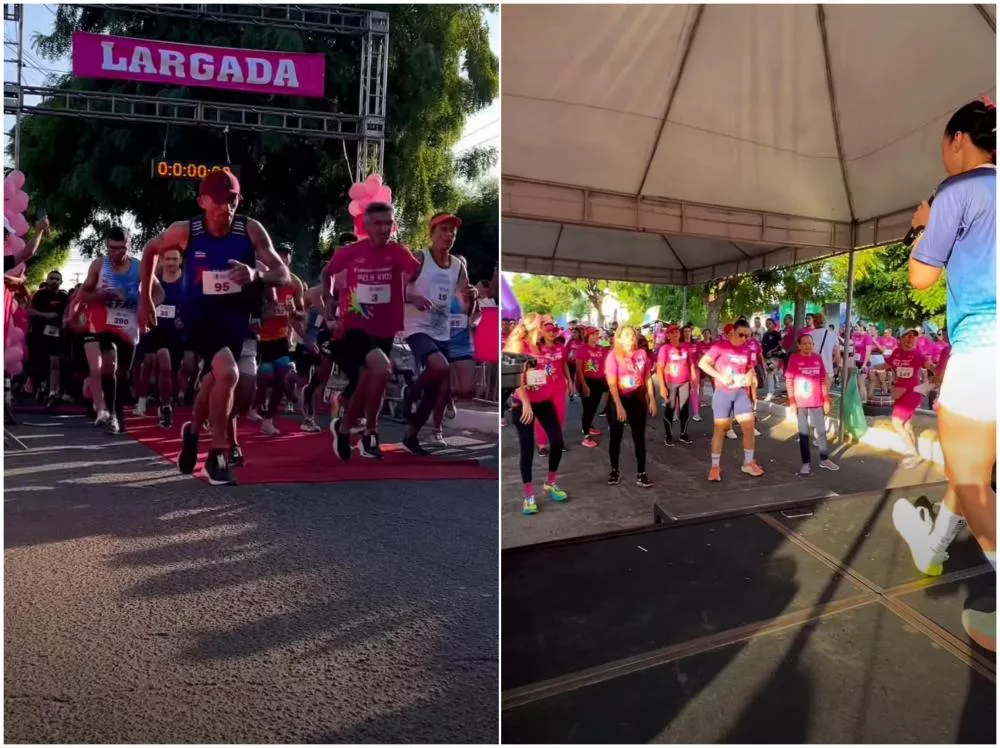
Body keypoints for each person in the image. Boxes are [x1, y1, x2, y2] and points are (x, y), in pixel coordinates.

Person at [893, 97, 996, 651]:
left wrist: (922, 227)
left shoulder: (959, 192)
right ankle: (933, 547)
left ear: (959, 140)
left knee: (975, 481)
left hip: (985, 349)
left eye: (943, 143)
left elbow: (921, 279)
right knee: (968, 466)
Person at [138, 169, 290, 485]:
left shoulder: (250, 230)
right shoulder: (186, 230)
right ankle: (217, 455)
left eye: (232, 200)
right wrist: (145, 299)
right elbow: (151, 250)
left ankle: (192, 432)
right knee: (229, 374)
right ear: (203, 201)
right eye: (219, 201)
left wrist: (256, 274)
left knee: (215, 380)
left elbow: (283, 274)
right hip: (198, 314)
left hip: (234, 318)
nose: (226, 208)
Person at [321, 203, 421, 461]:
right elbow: (327, 272)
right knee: (382, 369)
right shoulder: (352, 251)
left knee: (373, 381)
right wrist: (329, 296)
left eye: (389, 223)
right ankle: (368, 431)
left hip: (385, 327)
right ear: (366, 226)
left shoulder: (397, 252)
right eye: (378, 223)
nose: (384, 228)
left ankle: (346, 429)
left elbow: (417, 270)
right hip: (356, 324)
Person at [401, 213, 477, 454]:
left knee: (435, 394)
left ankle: (410, 437)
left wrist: (473, 298)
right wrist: (413, 297)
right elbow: (396, 288)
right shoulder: (420, 258)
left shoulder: (458, 266)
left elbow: (466, 307)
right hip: (416, 329)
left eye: (452, 232)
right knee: (440, 366)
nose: (448, 235)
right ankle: (411, 390)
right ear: (432, 233)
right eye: (443, 230)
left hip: (442, 332)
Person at [69, 227, 158, 434]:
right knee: (109, 365)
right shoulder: (99, 265)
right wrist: (102, 295)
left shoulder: (140, 267)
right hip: (103, 324)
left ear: (130, 245)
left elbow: (158, 293)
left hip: (128, 326)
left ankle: (117, 411)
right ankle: (113, 416)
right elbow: (84, 296)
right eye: (112, 248)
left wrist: (146, 309)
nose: (116, 253)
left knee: (123, 374)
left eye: (121, 248)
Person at [509, 318, 568, 515]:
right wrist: (525, 402)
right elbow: (513, 375)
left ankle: (550, 483)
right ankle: (528, 494)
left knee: (557, 442)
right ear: (536, 326)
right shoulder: (520, 344)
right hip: (523, 404)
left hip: (543, 401)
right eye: (546, 324)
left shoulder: (540, 346)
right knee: (527, 447)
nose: (551, 328)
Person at [699, 319, 763, 481]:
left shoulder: (747, 349)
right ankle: (714, 467)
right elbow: (703, 363)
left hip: (740, 393)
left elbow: (750, 367)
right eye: (741, 335)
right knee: (720, 430)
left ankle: (748, 462)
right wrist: (720, 376)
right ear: (732, 332)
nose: (744, 339)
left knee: (749, 428)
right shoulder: (720, 346)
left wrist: (752, 376)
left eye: (748, 336)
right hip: (723, 393)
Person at [254, 243, 307, 436]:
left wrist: (296, 313)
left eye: (287, 256)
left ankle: (269, 419)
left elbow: (301, 312)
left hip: (281, 338)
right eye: (280, 255)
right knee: (264, 379)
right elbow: (253, 311)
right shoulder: (262, 279)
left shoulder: (295, 283)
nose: (283, 259)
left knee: (282, 376)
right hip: (259, 338)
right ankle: (254, 405)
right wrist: (269, 312)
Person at [133, 248, 185, 428]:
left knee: (168, 372)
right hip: (153, 328)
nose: (171, 263)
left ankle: (164, 403)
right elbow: (141, 298)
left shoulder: (186, 280)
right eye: (167, 259)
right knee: (149, 364)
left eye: (174, 259)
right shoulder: (154, 279)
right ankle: (141, 400)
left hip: (174, 332)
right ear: (161, 261)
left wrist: (184, 319)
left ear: (180, 260)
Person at [605, 325, 655, 487]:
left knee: (639, 437)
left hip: (637, 398)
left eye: (633, 335)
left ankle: (641, 472)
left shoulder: (641, 354)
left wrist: (652, 398)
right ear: (619, 338)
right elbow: (612, 384)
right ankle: (614, 470)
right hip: (619, 398)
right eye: (626, 335)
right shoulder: (613, 356)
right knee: (616, 436)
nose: (630, 338)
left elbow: (647, 377)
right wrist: (619, 406)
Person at [786, 332, 838, 475]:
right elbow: (789, 380)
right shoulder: (794, 359)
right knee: (804, 434)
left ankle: (824, 459)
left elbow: (822, 380)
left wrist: (826, 399)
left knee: (821, 432)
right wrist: (791, 401)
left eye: (810, 343)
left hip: (817, 401)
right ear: (799, 345)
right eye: (804, 344)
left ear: (813, 345)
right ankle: (806, 463)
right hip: (800, 402)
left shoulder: (817, 358)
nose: (807, 346)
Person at [27, 269, 69, 407]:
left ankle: (54, 391)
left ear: (61, 282)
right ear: (47, 280)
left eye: (57, 279)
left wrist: (63, 320)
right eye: (52, 278)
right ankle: (39, 388)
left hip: (57, 336)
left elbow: (67, 313)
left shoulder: (64, 297)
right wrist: (46, 315)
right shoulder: (39, 295)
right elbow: (31, 311)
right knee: (40, 364)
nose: (54, 281)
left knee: (55, 362)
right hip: (39, 335)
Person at [655, 324, 696, 446]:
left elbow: (691, 364)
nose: (676, 333)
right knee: (670, 409)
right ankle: (668, 435)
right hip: (670, 383)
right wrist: (662, 386)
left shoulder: (685, 347)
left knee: (684, 409)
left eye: (677, 331)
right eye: (672, 332)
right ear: (668, 335)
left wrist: (693, 381)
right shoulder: (665, 349)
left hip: (684, 382)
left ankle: (683, 434)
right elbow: (660, 368)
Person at [577, 327, 607, 448]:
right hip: (587, 381)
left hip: (599, 382)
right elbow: (579, 370)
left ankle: (588, 426)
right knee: (588, 408)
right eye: (593, 334)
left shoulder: (601, 348)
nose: (595, 336)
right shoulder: (583, 349)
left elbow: (609, 354)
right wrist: (584, 386)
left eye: (596, 334)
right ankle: (586, 435)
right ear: (587, 336)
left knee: (593, 407)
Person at [760, 317, 783, 401]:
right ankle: (772, 390)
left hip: (774, 356)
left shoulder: (776, 334)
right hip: (766, 357)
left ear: (774, 325)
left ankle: (770, 392)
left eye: (769, 323)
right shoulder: (765, 334)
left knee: (770, 373)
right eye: (767, 323)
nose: (768, 325)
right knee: (770, 373)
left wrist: (772, 351)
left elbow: (780, 344)